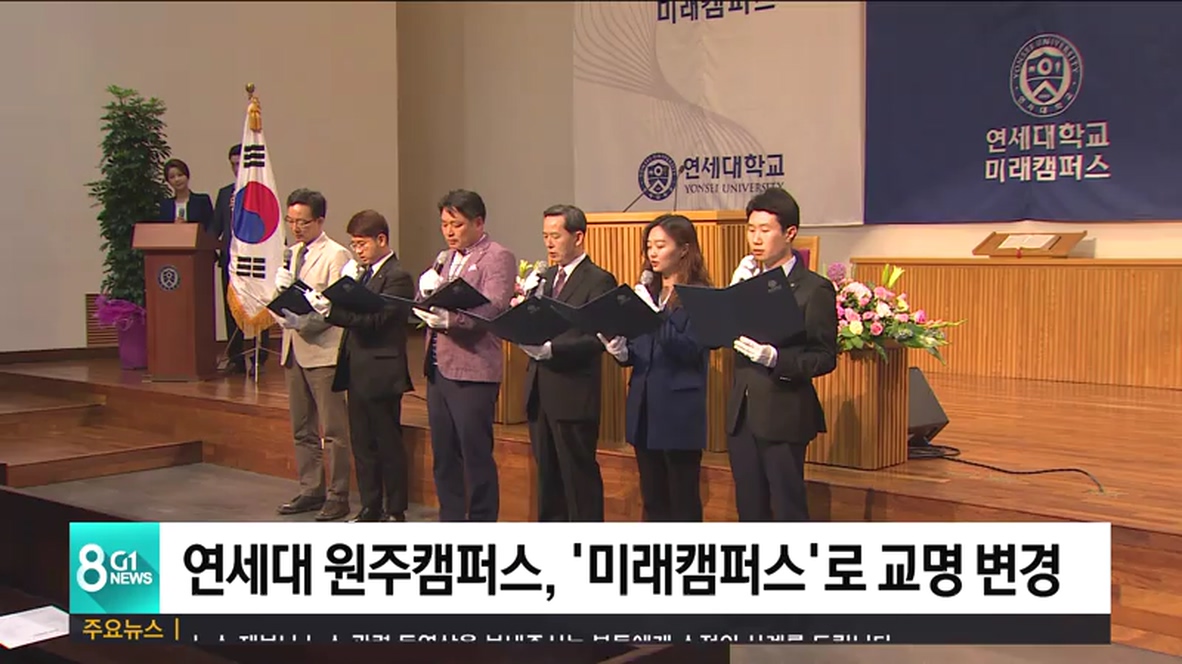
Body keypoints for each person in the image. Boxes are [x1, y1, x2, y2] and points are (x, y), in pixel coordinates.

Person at [725, 187, 839, 522]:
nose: (756, 239)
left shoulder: (814, 288)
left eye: (765, 230)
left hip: (784, 414)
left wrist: (776, 359)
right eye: (751, 229)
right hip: (742, 414)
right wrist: (732, 295)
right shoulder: (746, 282)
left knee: (788, 510)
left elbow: (824, 356)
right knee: (749, 510)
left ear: (789, 233)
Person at [598, 214, 712, 522]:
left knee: (682, 502)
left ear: (684, 249)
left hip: (678, 411)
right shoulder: (649, 292)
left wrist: (652, 314)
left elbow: (689, 349)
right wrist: (621, 351)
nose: (652, 253)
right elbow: (641, 349)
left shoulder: (700, 294)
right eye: (649, 246)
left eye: (661, 245)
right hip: (644, 408)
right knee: (652, 499)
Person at [304, 210, 415, 523]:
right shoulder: (363, 275)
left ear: (381, 239)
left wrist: (332, 312)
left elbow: (377, 321)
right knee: (362, 443)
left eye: (362, 243)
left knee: (387, 443)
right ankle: (370, 506)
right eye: (354, 244)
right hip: (357, 369)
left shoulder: (397, 276)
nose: (357, 250)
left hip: (381, 371)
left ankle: (395, 509)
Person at [414, 189, 517, 522]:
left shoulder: (497, 256)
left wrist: (451, 321)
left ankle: (482, 524)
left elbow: (494, 307)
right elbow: (429, 302)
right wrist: (423, 294)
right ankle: (452, 521)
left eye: (456, 224)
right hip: (438, 368)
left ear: (478, 222)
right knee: (444, 455)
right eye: (444, 224)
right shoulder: (445, 257)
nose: (449, 231)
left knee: (475, 455)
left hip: (473, 369)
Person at [516, 204, 618, 522]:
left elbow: (598, 338)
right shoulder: (544, 278)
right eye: (545, 236)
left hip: (573, 392)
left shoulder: (599, 280)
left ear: (578, 236)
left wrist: (553, 350)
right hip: (540, 391)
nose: (549, 243)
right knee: (547, 477)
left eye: (556, 236)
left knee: (578, 478)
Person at [272, 188, 353, 522]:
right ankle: (311, 488)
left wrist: (303, 322)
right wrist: (279, 299)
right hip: (293, 349)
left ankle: (338, 494)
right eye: (291, 221)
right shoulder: (291, 253)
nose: (296, 228)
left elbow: (337, 306)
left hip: (323, 352)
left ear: (320, 220)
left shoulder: (336, 255)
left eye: (303, 222)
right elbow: (284, 297)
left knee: (333, 430)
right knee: (301, 427)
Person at [211, 144, 269, 376]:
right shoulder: (225, 193)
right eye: (233, 164)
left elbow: (269, 222)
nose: (237, 168)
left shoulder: (260, 190)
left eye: (240, 163)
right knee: (232, 309)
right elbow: (215, 228)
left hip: (255, 260)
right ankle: (236, 359)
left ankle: (259, 358)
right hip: (231, 260)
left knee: (257, 308)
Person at [157, 158, 214, 230]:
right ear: (168, 181)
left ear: (187, 176)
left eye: (180, 175)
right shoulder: (165, 205)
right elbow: (162, 230)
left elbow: (210, 228)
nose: (177, 179)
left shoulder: (202, 201)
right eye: (172, 177)